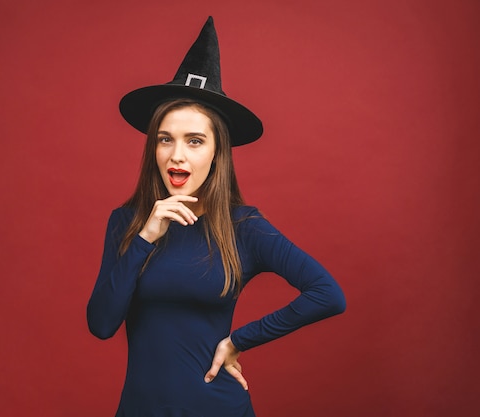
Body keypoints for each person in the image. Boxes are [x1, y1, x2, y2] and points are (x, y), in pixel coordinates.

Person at [87, 16, 346, 417]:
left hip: (217, 407)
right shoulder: (126, 223)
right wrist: (146, 237)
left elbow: (327, 294)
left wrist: (238, 340)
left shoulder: (243, 227)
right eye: (165, 139)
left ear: (216, 153)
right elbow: (101, 325)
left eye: (194, 141)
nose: (177, 154)